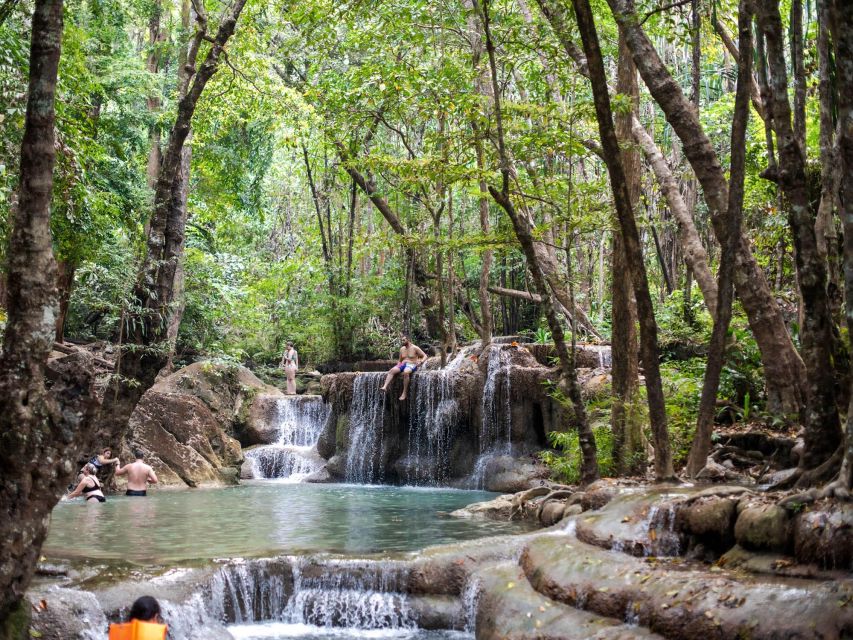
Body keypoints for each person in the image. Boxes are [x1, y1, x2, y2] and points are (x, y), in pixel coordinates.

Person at [380, 334, 427, 401]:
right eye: (402, 340)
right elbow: (400, 360)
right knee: (392, 371)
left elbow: (425, 356)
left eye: (404, 340)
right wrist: (397, 367)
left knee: (406, 372)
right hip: (403, 364)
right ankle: (385, 386)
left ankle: (404, 393)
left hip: (412, 364)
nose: (402, 341)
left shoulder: (415, 348)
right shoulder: (402, 349)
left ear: (408, 340)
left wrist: (421, 362)